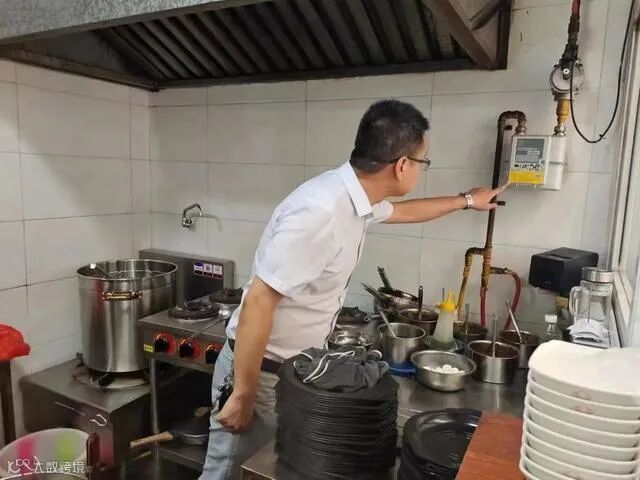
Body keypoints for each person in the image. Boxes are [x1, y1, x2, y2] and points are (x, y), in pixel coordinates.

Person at [199, 99, 506, 479]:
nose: (421, 170)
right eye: (423, 162)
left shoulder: (354, 198)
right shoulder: (322, 211)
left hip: (289, 370)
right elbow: (259, 301)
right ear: (402, 165)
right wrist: (243, 394)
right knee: (226, 473)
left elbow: (404, 212)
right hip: (259, 372)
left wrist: (467, 201)